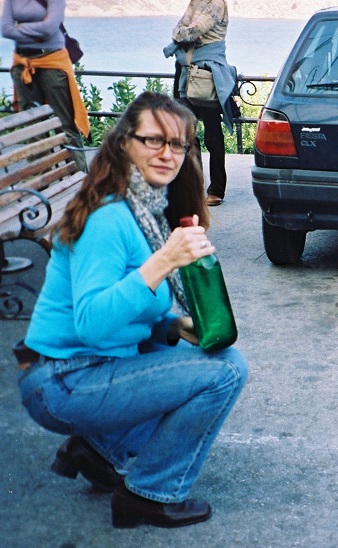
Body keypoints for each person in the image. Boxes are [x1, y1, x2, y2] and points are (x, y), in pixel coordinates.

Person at [13, 92, 248, 529]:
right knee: (227, 371)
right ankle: (150, 493)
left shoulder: (149, 213)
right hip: (63, 379)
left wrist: (173, 326)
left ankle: (100, 451)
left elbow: (135, 311)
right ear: (124, 143)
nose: (167, 153)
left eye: (178, 144)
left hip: (93, 369)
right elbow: (91, 321)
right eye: (153, 140)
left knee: (205, 359)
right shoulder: (110, 217)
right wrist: (162, 262)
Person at [1, 0, 90, 172]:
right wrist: (37, 31)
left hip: (52, 61)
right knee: (33, 129)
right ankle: (42, 180)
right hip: (23, 64)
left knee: (65, 124)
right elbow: (6, 29)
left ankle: (80, 177)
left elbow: (50, 28)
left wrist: (19, 30)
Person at [164, 0, 237, 206]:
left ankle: (216, 189)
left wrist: (181, 33)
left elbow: (189, 33)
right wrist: (182, 32)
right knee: (188, 134)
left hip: (207, 74)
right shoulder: (196, 1)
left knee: (212, 135)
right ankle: (193, 187)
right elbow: (180, 28)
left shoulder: (217, 4)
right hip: (186, 75)